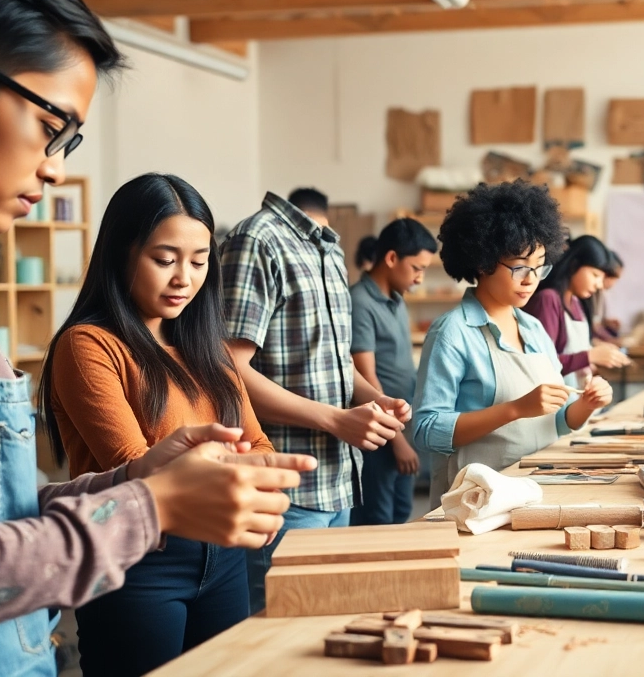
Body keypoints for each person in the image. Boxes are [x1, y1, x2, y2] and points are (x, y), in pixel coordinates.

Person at [0, 0, 313, 677]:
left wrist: (138, 477)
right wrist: (154, 506)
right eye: (51, 128)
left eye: (69, 144)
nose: (53, 166)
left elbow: (1, 515)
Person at [40, 174, 275, 676]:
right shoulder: (89, 347)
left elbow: (259, 444)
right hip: (139, 561)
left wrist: (240, 465)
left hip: (225, 554)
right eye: (165, 260)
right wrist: (237, 466)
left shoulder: (206, 348)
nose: (184, 279)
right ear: (121, 253)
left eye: (198, 261)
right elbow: (139, 473)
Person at [220, 187, 409, 612]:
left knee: (322, 622)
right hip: (287, 487)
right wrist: (336, 420)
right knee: (279, 629)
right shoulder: (258, 240)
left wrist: (378, 399)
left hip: (339, 482)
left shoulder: (330, 250)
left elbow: (336, 360)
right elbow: (230, 370)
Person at [414, 182, 613, 505]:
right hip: (477, 504)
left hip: (537, 492)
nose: (530, 279)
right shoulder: (453, 332)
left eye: (539, 267)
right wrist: (515, 409)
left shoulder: (533, 328)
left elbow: (560, 421)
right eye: (519, 267)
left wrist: (586, 405)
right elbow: (427, 430)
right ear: (483, 262)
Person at [349, 218, 437, 526]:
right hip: (380, 431)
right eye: (416, 268)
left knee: (401, 511)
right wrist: (397, 440)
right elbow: (365, 376)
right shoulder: (360, 302)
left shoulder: (396, 300)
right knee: (378, 517)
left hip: (400, 427)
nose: (420, 278)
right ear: (391, 258)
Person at [523, 235, 632, 387]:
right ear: (574, 265)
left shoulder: (576, 303)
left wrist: (594, 358)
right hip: (557, 403)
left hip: (577, 402)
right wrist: (589, 356)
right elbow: (543, 364)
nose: (599, 285)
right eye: (595, 275)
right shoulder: (548, 300)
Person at [589, 250, 624, 345]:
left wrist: (606, 322)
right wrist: (610, 340)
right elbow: (593, 325)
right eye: (613, 278)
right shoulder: (588, 293)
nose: (613, 283)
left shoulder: (600, 294)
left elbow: (596, 320)